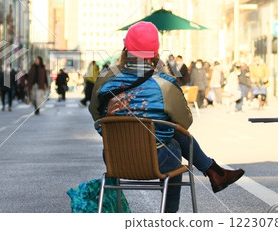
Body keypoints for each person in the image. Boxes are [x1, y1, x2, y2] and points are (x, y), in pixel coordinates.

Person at [88, 22, 244, 213]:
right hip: (157, 159)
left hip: (114, 157)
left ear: (125, 49)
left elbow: (96, 114)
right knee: (176, 142)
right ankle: (169, 215)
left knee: (172, 137)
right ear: (155, 54)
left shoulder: (105, 76)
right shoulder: (164, 83)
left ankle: (214, 172)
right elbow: (185, 122)